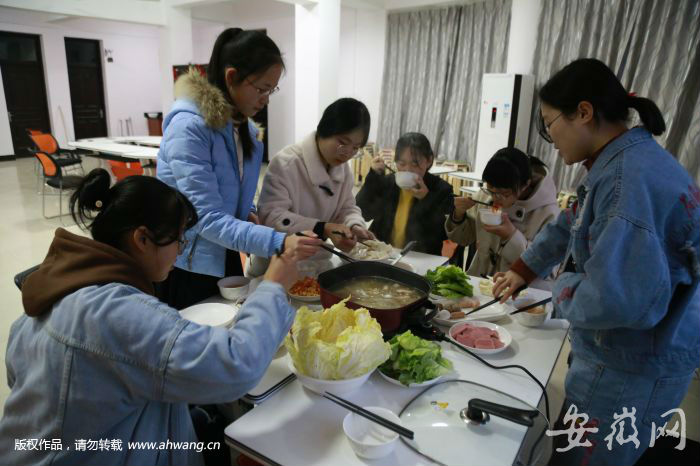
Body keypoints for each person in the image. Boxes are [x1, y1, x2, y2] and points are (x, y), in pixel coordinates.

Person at [0, 169, 308, 466]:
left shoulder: (56, 291)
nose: (180, 251)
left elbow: (18, 377)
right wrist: (274, 285)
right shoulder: (112, 312)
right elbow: (235, 364)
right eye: (178, 240)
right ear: (142, 239)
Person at [491, 58, 700, 466]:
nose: (550, 139)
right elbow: (574, 220)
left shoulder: (626, 182)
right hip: (628, 354)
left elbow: (615, 299)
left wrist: (559, 290)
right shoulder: (620, 161)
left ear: (583, 113)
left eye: (549, 124)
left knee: (583, 461)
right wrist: (524, 268)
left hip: (629, 365)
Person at [156, 28, 321, 309]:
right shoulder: (190, 129)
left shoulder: (244, 133)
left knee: (230, 332)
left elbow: (235, 194)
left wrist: (250, 212)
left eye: (272, 89)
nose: (266, 99)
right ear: (231, 77)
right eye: (261, 88)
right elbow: (205, 218)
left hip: (225, 252)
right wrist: (279, 241)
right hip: (186, 261)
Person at [247, 98, 374, 276]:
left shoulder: (343, 171)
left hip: (319, 264)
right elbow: (271, 216)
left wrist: (354, 226)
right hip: (278, 264)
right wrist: (321, 227)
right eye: (343, 142)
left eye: (355, 148)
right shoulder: (287, 163)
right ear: (325, 129)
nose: (347, 153)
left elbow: (347, 207)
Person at [445, 147, 559, 284]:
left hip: (520, 293)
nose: (495, 199)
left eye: (504, 194)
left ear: (525, 185)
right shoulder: (486, 196)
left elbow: (546, 269)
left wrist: (512, 236)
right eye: (491, 191)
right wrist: (458, 214)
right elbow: (464, 239)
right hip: (480, 284)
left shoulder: (549, 213)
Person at [356, 132, 454, 255]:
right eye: (402, 164)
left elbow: (443, 234)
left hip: (421, 258)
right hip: (383, 255)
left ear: (428, 161)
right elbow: (362, 213)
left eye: (415, 164)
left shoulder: (442, 189)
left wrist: (426, 198)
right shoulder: (387, 183)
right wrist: (373, 177)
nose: (407, 170)